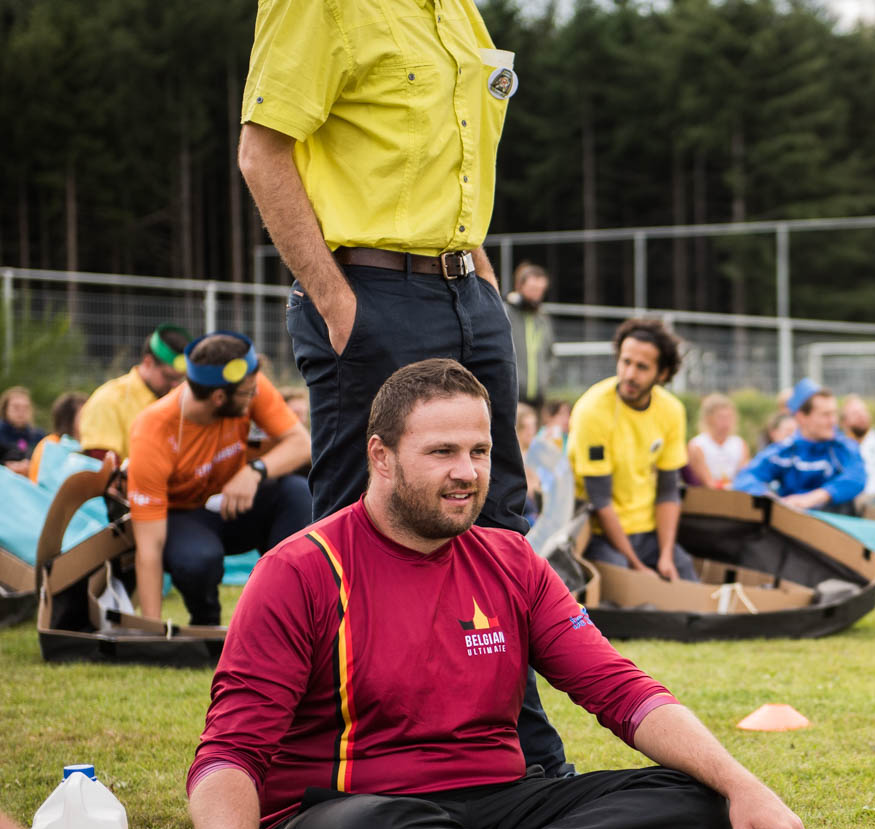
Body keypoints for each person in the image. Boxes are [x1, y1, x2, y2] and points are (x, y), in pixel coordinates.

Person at [174, 359, 810, 829]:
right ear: (380, 456)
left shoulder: (512, 559)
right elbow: (229, 752)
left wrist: (738, 782)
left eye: (479, 452)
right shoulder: (299, 571)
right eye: (442, 452)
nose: (467, 473)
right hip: (350, 816)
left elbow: (619, 689)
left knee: (697, 804)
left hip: (498, 804)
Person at [238, 0, 528, 534]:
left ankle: (489, 623)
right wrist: (337, 302)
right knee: (365, 523)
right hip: (369, 293)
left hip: (470, 293)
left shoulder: (460, 10)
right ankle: (354, 622)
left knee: (495, 513)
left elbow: (454, 164)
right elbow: (261, 153)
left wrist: (480, 278)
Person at [126, 332, 312, 625]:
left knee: (297, 493)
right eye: (248, 394)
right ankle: (206, 620)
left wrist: (254, 471)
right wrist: (152, 630)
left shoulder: (249, 385)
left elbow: (301, 444)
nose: (255, 396)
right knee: (197, 561)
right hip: (184, 517)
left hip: (236, 504)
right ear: (219, 397)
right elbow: (149, 548)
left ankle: (279, 615)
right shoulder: (152, 431)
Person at [568, 319, 695, 581]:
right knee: (629, 593)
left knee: (687, 580)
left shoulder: (672, 411)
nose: (629, 375)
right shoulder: (592, 410)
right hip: (600, 534)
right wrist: (638, 566)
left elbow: (669, 491)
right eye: (625, 362)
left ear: (662, 374)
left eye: (642, 367)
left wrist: (666, 555)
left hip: (649, 534)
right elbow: (600, 501)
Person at [733, 379, 866, 513]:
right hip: (795, 525)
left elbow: (857, 477)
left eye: (834, 413)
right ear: (802, 417)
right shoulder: (786, 451)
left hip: (837, 527)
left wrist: (814, 497)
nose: (833, 421)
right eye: (825, 415)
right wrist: (767, 497)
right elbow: (745, 477)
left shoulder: (843, 447)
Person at [76, 323, 192, 461]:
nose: (175, 385)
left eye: (179, 379)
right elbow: (102, 469)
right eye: (168, 377)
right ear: (148, 362)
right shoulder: (108, 401)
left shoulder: (182, 402)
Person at [506, 262, 556, 402]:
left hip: (539, 396)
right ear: (519, 287)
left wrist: (546, 378)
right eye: (533, 289)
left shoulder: (543, 319)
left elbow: (550, 354)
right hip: (513, 395)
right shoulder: (506, 314)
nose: (537, 295)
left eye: (541, 290)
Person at [687, 393, 749, 489]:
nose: (726, 422)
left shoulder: (740, 444)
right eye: (721, 417)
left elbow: (743, 476)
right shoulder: (697, 445)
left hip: (735, 496)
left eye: (729, 417)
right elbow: (707, 482)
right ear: (709, 418)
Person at [25, 391, 87, 483]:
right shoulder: (52, 444)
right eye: (83, 415)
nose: (89, 419)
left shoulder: (84, 444)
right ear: (68, 418)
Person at [0, 386, 44, 474]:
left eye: (26, 408)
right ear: (5, 409)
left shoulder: (39, 436)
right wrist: (5, 466)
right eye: (16, 407)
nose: (21, 412)